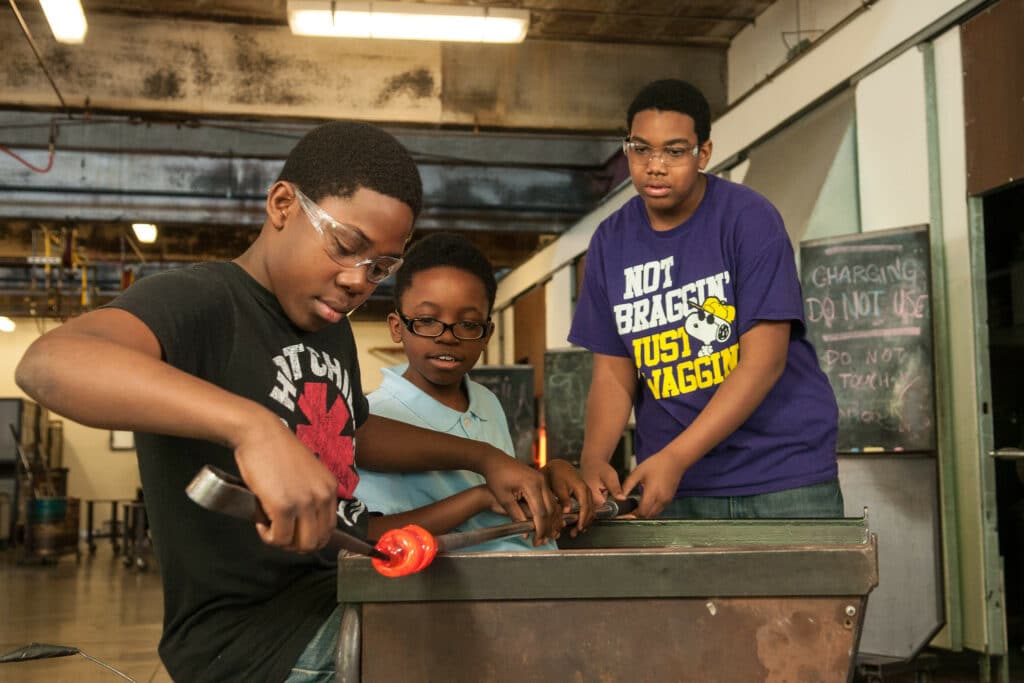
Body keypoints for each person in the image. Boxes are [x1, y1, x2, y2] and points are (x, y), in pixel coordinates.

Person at [14, 121, 573, 683]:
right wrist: (253, 429)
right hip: (254, 640)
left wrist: (483, 458)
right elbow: (50, 363)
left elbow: (355, 434)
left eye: (380, 268)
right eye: (347, 246)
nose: (359, 281)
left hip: (338, 588)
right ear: (282, 204)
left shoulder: (327, 327)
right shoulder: (204, 302)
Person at [569, 79, 843, 520]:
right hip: (674, 485)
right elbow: (612, 375)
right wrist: (595, 458)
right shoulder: (610, 242)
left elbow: (764, 361)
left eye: (675, 152)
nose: (655, 166)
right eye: (641, 149)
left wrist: (677, 457)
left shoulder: (747, 219)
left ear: (704, 153)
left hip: (781, 476)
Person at [355, 232, 593, 549]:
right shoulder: (375, 417)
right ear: (397, 327)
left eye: (468, 324)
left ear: (487, 334)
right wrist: (478, 499)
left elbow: (502, 493)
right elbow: (372, 533)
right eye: (427, 320)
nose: (447, 336)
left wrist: (548, 477)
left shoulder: (486, 401)